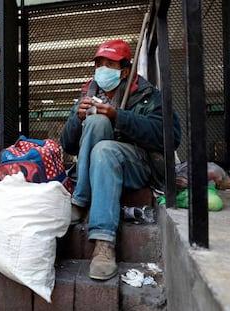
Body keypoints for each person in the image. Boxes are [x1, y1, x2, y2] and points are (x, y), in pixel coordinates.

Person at [60, 39, 181, 280]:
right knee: (95, 122)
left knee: (105, 150)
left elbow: (170, 137)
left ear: (124, 71)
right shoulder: (89, 91)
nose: (102, 69)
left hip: (137, 164)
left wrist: (120, 117)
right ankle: (81, 201)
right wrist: (78, 118)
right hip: (97, 169)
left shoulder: (146, 94)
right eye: (99, 63)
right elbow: (68, 144)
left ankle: (104, 243)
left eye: (109, 64)